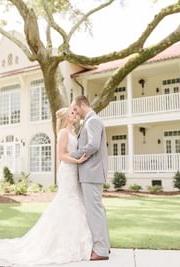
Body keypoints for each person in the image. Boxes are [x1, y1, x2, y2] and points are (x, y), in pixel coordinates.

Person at [0, 107, 92, 265]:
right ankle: (58, 244)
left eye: (75, 113)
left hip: (75, 172)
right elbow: (61, 155)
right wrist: (78, 161)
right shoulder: (63, 133)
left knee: (75, 202)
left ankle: (78, 242)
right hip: (68, 171)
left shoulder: (73, 133)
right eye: (72, 113)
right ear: (66, 118)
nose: (75, 115)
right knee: (67, 202)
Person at [70, 95, 110, 261]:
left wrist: (74, 154)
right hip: (91, 173)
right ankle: (104, 246)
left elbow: (93, 145)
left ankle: (100, 250)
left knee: (94, 212)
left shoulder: (92, 121)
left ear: (83, 105)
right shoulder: (89, 121)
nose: (75, 112)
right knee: (98, 211)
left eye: (76, 109)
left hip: (92, 173)